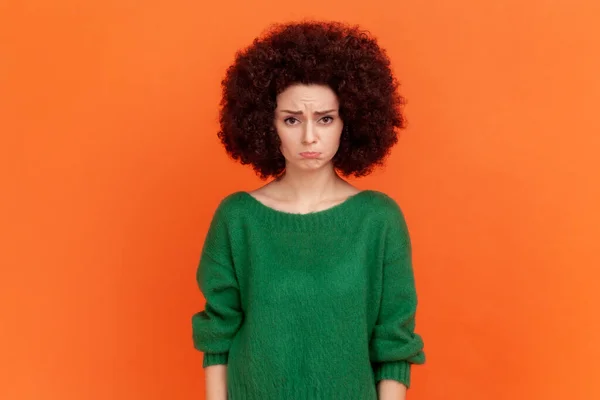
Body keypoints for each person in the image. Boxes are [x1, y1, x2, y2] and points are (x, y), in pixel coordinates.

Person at [191, 20, 426, 400]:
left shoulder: (378, 220)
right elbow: (217, 337)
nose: (309, 137)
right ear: (266, 125)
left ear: (349, 122)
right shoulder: (238, 219)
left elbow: (393, 343)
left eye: (325, 118)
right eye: (291, 119)